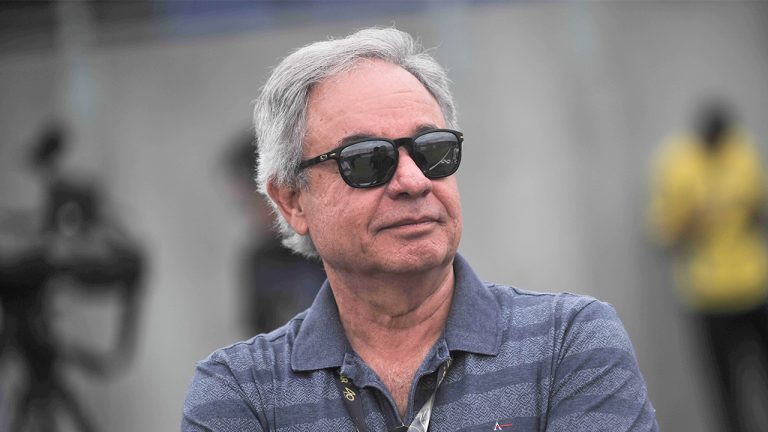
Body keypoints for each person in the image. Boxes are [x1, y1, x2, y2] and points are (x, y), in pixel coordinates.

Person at [183, 28, 658, 431]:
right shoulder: (238, 393)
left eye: (432, 151)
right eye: (366, 160)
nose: (414, 181)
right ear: (291, 200)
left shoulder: (569, 343)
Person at [649, 101, 768, 432]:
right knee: (726, 390)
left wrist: (750, 211)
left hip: (753, 286)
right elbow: (664, 236)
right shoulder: (676, 164)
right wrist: (694, 222)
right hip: (709, 295)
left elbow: (759, 210)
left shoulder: (741, 150)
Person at [223, 131, 325, 335]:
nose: (248, 215)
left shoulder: (328, 245)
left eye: (249, 203)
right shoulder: (261, 260)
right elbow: (259, 334)